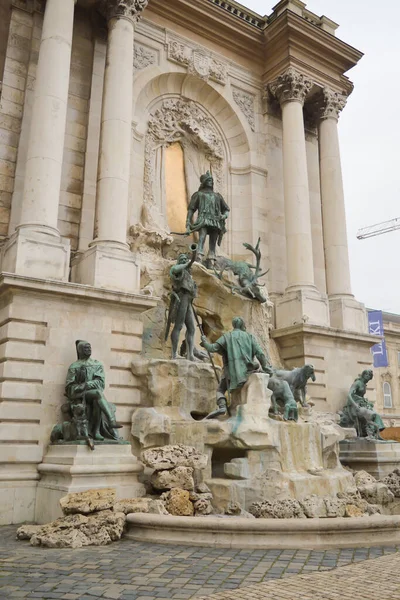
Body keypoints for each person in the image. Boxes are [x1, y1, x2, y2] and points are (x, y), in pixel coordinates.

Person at [201, 317, 273, 417]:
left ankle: (222, 407)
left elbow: (212, 348)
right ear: (243, 325)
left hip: (231, 373)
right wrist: (267, 368)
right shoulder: (250, 337)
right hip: (248, 371)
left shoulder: (227, 336)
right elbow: (260, 354)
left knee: (220, 390)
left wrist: (204, 341)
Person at [65, 340, 122, 441]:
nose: (89, 349)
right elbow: (69, 387)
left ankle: (96, 432)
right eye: (86, 348)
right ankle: (111, 421)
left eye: (89, 347)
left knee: (97, 399)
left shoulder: (97, 364)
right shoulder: (74, 366)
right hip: (78, 394)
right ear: (80, 350)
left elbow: (100, 383)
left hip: (92, 393)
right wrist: (79, 387)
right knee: (97, 393)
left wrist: (86, 384)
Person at [186, 171, 230, 263]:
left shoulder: (218, 196)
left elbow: (226, 209)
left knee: (213, 241)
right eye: (209, 180)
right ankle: (199, 256)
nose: (211, 182)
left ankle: (211, 258)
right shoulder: (198, 194)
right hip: (204, 219)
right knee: (202, 237)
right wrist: (188, 222)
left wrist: (224, 215)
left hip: (216, 221)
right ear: (204, 182)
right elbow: (191, 209)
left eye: (212, 180)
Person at [166, 252, 197, 361]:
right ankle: (174, 354)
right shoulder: (176, 269)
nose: (184, 260)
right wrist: (191, 260)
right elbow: (177, 269)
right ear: (179, 261)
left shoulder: (188, 274)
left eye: (185, 259)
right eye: (182, 259)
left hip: (188, 299)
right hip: (181, 297)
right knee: (178, 326)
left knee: (192, 329)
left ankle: (190, 354)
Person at [339, 369, 385, 440]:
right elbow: (349, 395)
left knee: (376, 415)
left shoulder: (364, 385)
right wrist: (355, 405)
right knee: (372, 414)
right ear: (363, 375)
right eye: (367, 374)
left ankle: (375, 433)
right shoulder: (357, 383)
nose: (368, 376)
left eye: (369, 375)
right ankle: (370, 434)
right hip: (353, 407)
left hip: (361, 405)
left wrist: (367, 403)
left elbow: (361, 397)